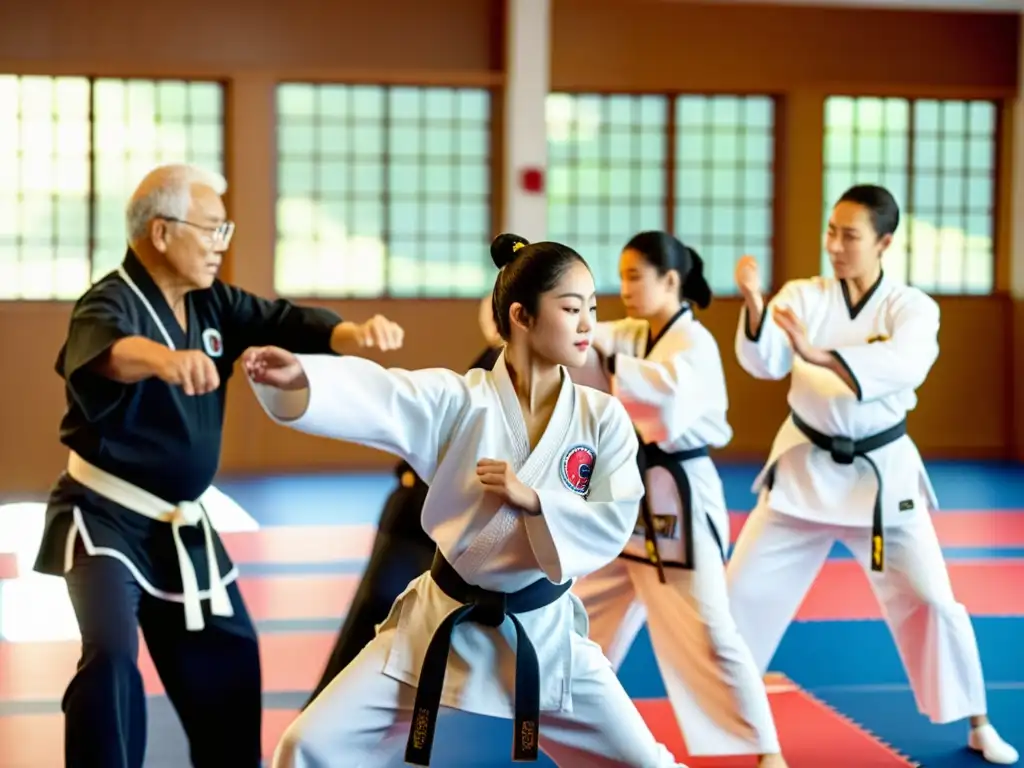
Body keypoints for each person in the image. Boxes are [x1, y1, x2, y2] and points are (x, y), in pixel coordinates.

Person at [246, 234, 688, 768]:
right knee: (308, 744)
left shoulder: (602, 418)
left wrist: (536, 502)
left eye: (593, 309)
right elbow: (385, 395)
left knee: (644, 762)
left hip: (541, 635)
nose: (589, 325)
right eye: (572, 309)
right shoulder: (460, 400)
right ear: (522, 316)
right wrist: (305, 378)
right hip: (438, 623)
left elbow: (613, 520)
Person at [32, 163, 406, 768]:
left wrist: (353, 333)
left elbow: (282, 320)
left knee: (230, 660)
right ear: (160, 233)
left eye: (223, 231)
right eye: (210, 229)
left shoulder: (214, 304)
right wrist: (162, 360)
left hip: (183, 528)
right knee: (110, 659)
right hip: (104, 519)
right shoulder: (108, 301)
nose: (218, 244)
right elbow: (108, 352)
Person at [727, 184, 1018, 766]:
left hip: (881, 482)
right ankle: (756, 738)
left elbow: (902, 366)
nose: (834, 246)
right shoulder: (805, 295)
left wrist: (818, 354)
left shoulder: (912, 307)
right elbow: (764, 362)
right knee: (736, 600)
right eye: (830, 233)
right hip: (803, 475)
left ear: (885, 242)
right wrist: (756, 308)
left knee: (934, 601)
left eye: (850, 236)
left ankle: (979, 720)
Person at [572, 232, 786, 767]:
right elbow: (583, 338)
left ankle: (767, 749)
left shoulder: (695, 345)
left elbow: (664, 408)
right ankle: (559, 713)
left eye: (634, 276)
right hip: (624, 501)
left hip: (677, 503)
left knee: (711, 629)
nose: (624, 288)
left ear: (670, 281)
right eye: (620, 277)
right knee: (578, 616)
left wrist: (602, 354)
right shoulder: (632, 334)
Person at [304, 299, 503, 708]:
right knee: (374, 622)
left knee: (418, 635)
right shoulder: (490, 369)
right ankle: (326, 715)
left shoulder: (526, 375)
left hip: (451, 525)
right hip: (416, 516)